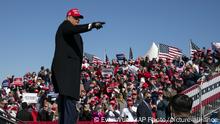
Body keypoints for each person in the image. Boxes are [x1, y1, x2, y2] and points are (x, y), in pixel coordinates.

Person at [51, 8, 105, 124]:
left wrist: (79, 80)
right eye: (75, 17)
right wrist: (91, 25)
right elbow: (72, 29)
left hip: (71, 73)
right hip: (65, 73)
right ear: (68, 17)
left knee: (67, 106)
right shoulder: (65, 26)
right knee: (70, 106)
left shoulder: (75, 33)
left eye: (79, 18)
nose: (77, 20)